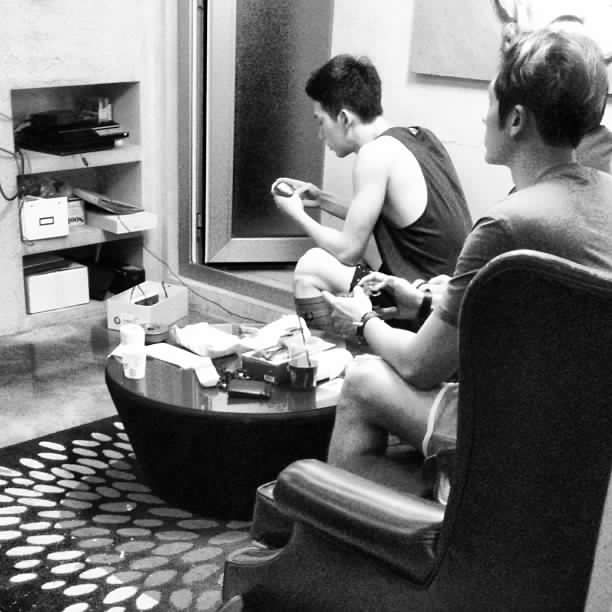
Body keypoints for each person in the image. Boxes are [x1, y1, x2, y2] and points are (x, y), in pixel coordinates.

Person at [322, 28, 612, 489]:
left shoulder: (507, 224)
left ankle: (440, 514)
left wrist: (361, 321)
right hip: (581, 440)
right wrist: (424, 303)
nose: (482, 116)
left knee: (361, 379)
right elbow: (544, 319)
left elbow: (419, 365)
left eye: (490, 100)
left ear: (515, 120)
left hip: (511, 433)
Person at [270, 54, 472, 331]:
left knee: (310, 267)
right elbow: (383, 215)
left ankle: (329, 352)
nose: (320, 135)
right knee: (362, 257)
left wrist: (297, 214)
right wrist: (321, 199)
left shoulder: (373, 155)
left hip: (421, 304)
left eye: (320, 122)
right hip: (452, 298)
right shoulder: (418, 136)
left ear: (343, 118)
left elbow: (349, 251)